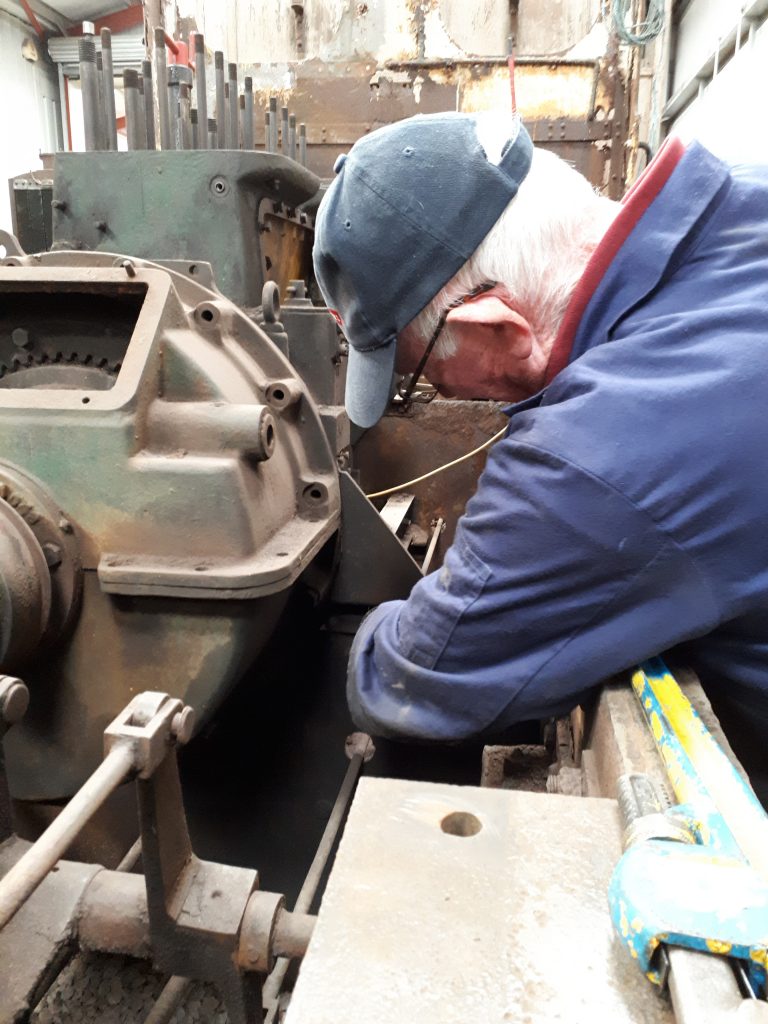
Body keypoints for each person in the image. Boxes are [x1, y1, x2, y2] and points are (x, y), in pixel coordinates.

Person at [312, 111, 768, 788]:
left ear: (496, 328)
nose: (438, 391)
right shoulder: (742, 198)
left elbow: (420, 679)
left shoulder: (600, 454)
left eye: (420, 374)